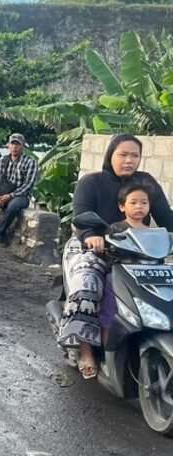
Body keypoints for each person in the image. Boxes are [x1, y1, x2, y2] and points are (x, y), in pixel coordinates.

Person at [59, 133, 173, 379]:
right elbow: (81, 215)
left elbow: (166, 218)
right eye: (123, 154)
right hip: (92, 248)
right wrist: (91, 234)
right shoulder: (92, 182)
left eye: (135, 155)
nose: (129, 160)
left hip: (136, 250)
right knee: (87, 286)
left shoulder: (147, 183)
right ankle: (85, 348)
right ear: (111, 154)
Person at [98, 181, 158, 339]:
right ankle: (108, 349)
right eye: (133, 202)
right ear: (122, 206)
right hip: (121, 277)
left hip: (147, 277)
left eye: (144, 202)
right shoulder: (116, 230)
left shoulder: (154, 233)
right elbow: (109, 256)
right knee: (111, 309)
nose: (139, 206)